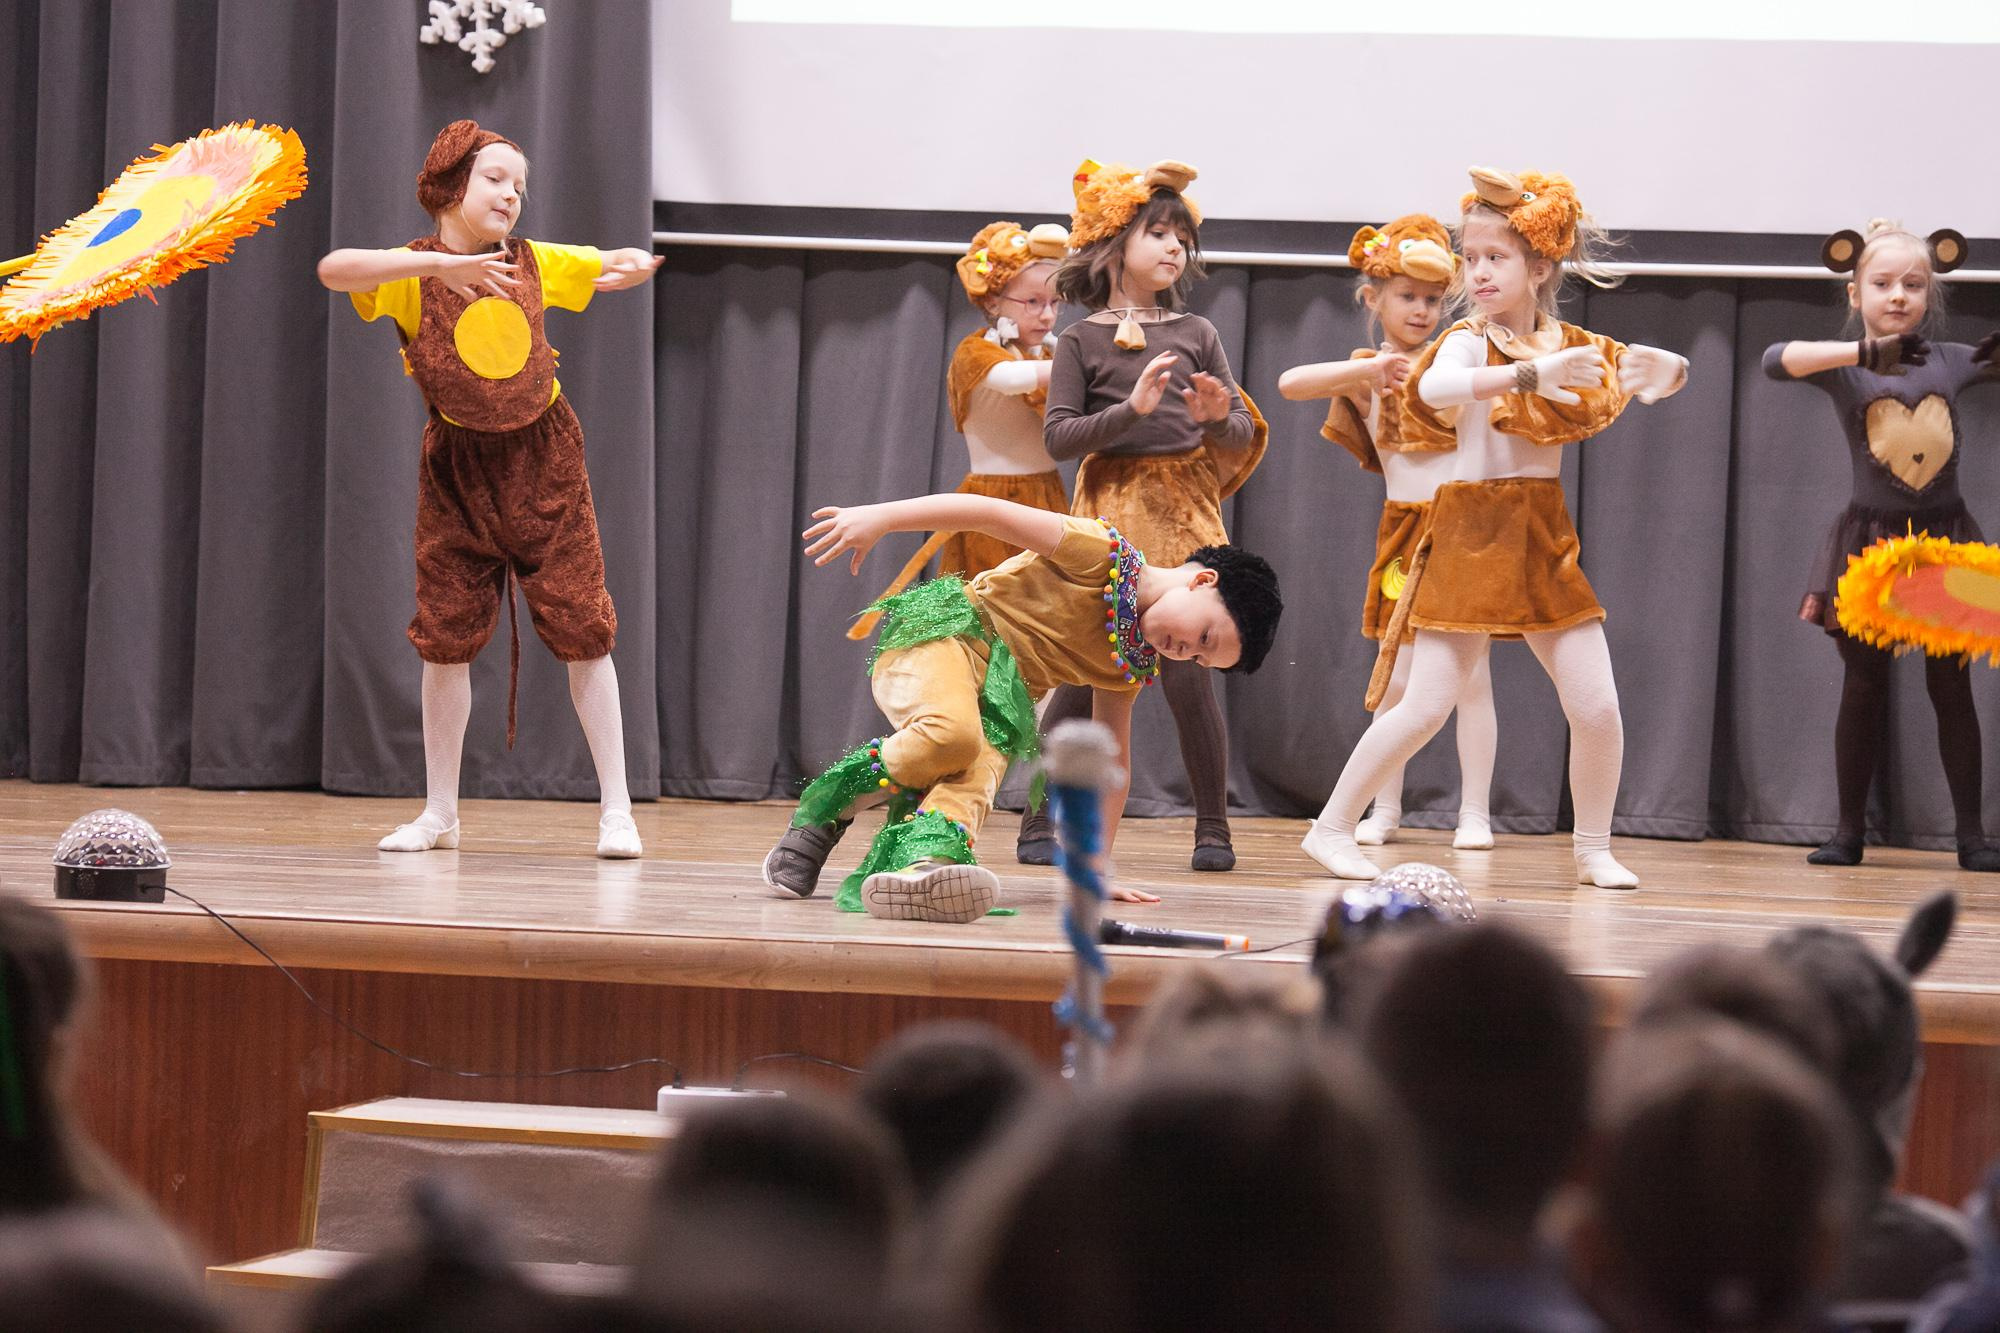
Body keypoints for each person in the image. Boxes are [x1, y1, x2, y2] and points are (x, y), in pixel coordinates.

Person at [1303, 167, 1688, 889]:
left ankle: (1593, 848)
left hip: (1542, 537)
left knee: (1597, 704)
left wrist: (1664, 368)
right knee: (1423, 706)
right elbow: (1433, 387)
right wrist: (1524, 380)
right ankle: (1329, 828)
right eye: (1470, 258)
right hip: (1471, 533)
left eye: (1494, 258)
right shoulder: (1469, 340)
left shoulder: (1571, 341)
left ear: (1539, 267)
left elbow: (1646, 379)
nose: (1475, 273)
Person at [317, 118, 661, 858]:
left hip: (545, 464)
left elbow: (599, 264)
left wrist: (624, 262)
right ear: (450, 183)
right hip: (457, 474)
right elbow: (333, 269)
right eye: (496, 179)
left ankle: (617, 808)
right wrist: (435, 272)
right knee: (445, 640)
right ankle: (440, 811)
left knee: (583, 630)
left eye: (520, 186)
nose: (512, 195)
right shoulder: (408, 273)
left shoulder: (533, 261)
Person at [763, 492, 1280, 921]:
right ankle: (823, 810)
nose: (1184, 651)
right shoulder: (1100, 552)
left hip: (1000, 701)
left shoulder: (1129, 663)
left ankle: (921, 869)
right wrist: (882, 518)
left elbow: (1111, 765)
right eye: (1204, 635)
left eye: (1198, 656)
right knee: (953, 736)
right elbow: (986, 512)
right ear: (1202, 580)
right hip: (948, 638)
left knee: (978, 774)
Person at [1025, 158, 1269, 873]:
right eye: (1158, 233)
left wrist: (1220, 419)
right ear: (1113, 244)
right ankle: (1040, 814)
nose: (1173, 248)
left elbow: (1236, 438)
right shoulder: (1080, 338)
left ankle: (1213, 826)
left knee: (1189, 670)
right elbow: (1059, 436)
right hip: (1111, 508)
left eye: (1181, 239)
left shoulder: (1197, 330)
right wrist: (1125, 413)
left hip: (1187, 509)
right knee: (1086, 666)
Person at [1762, 220, 2000, 871]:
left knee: (1952, 688)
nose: (1898, 295)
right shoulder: (1845, 368)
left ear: (1930, 292)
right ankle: (1847, 832)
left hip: (1946, 545)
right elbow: (1774, 359)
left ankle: (1973, 837)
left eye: (1913, 284)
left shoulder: (1948, 358)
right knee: (1862, 686)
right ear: (1855, 293)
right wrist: (1859, 356)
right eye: (1882, 283)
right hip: (1869, 548)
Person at [1279, 213, 1497, 849]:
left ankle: (1475, 812)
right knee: (1398, 678)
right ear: (1373, 299)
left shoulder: (1458, 357)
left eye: (1434, 299)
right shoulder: (1367, 368)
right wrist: (1366, 373)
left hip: (1460, 529)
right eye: (1408, 297)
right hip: (1402, 532)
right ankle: (1385, 807)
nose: (1423, 310)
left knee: (1471, 678)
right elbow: (1291, 384)